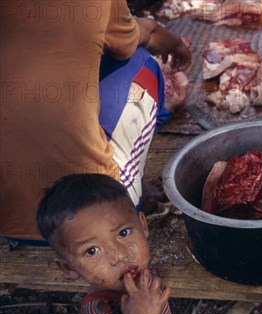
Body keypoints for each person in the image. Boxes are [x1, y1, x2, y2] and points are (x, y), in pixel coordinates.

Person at [0, 0, 191, 245]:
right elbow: (130, 42)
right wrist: (168, 39)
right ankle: (130, 190)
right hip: (89, 220)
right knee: (142, 64)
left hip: (7, 222)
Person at [35, 173, 197, 314]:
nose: (119, 255)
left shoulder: (141, 276)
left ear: (143, 225)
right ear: (68, 268)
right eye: (92, 250)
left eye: (123, 233)